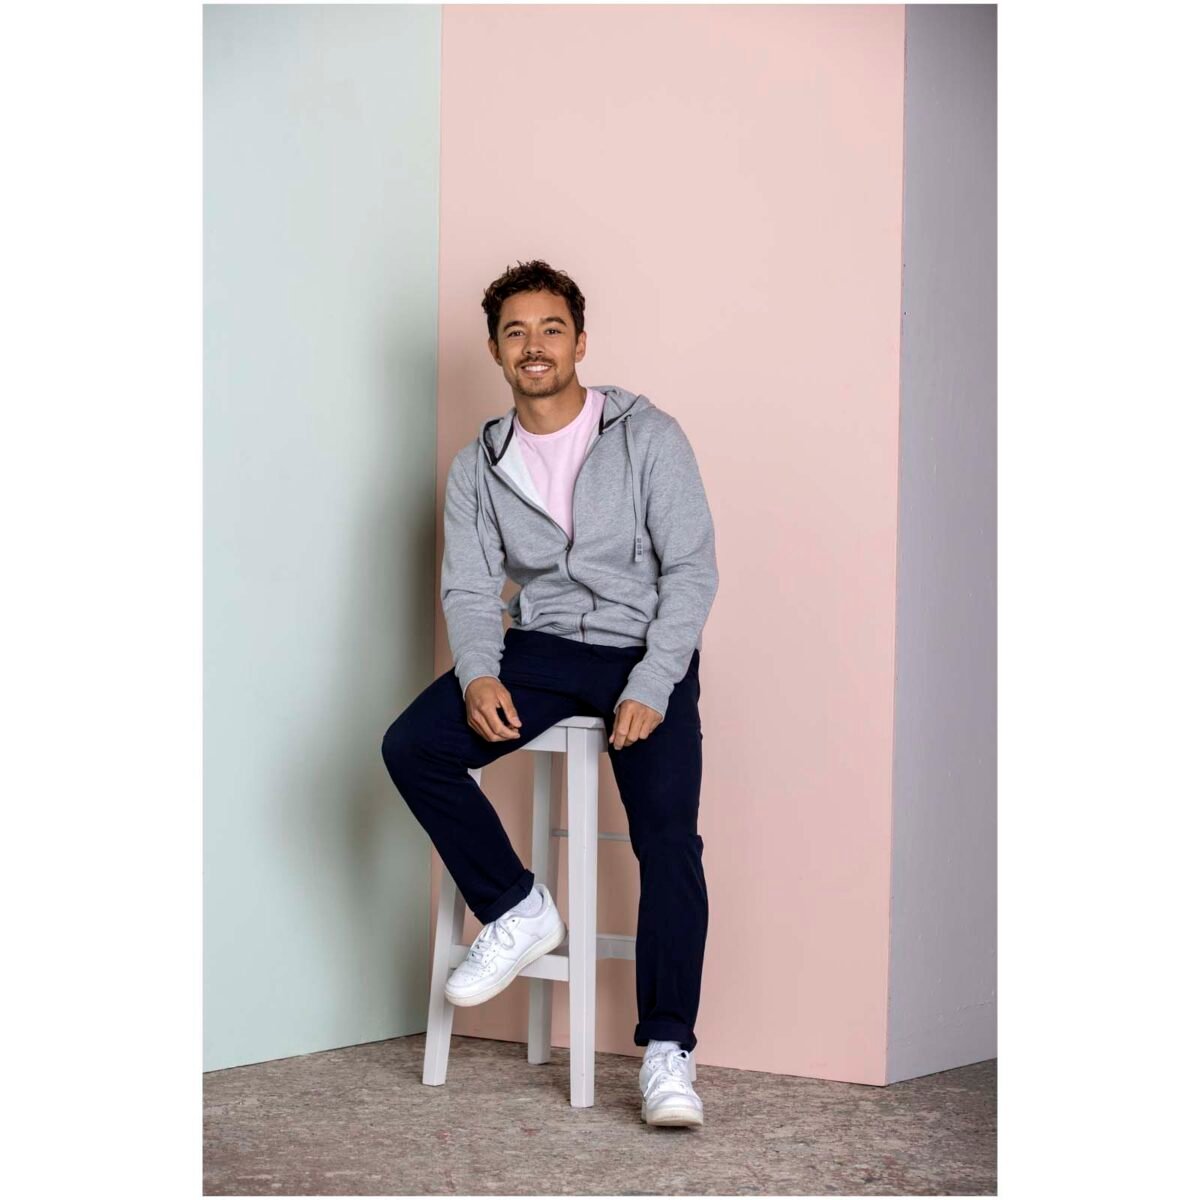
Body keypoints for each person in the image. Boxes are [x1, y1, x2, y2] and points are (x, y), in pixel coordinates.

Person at [381, 259, 718, 1128]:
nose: (534, 346)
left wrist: (653, 682)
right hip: (542, 650)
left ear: (580, 341)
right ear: (496, 350)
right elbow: (469, 588)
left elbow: (691, 571)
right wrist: (479, 672)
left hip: (644, 650)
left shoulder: (648, 436)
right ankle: (517, 905)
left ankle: (668, 1052)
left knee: (669, 841)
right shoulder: (479, 465)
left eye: (551, 329)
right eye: (516, 332)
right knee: (413, 746)